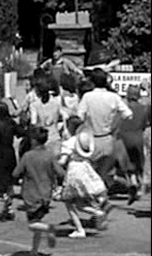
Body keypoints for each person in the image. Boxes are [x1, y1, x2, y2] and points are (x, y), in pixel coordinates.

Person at [77, 68, 134, 198]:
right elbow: (128, 115)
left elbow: (79, 116)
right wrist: (115, 124)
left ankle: (99, 201)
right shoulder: (113, 97)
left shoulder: (88, 97)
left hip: (92, 138)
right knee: (105, 172)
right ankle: (103, 198)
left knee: (93, 173)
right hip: (108, 138)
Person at [12, 127, 62, 256]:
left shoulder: (28, 156)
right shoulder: (50, 155)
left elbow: (16, 173)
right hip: (46, 193)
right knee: (37, 222)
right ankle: (34, 252)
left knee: (32, 224)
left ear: (33, 141)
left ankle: (48, 229)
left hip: (32, 193)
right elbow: (60, 172)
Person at [59, 122, 111, 238]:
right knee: (79, 203)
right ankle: (97, 212)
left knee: (69, 202)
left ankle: (80, 228)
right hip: (85, 169)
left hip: (74, 171)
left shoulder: (69, 143)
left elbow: (62, 161)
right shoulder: (86, 140)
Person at [0, 102, 23, 219]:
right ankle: (9, 208)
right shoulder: (11, 122)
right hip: (10, 154)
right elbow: (21, 133)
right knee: (9, 182)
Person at [117, 85, 151, 204]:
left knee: (128, 163)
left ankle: (133, 182)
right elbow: (144, 124)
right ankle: (141, 187)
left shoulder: (123, 108)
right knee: (139, 162)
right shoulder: (144, 108)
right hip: (138, 137)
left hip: (124, 137)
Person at [30, 77, 63, 157]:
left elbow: (33, 123)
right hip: (55, 137)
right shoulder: (56, 102)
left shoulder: (34, 105)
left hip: (42, 140)